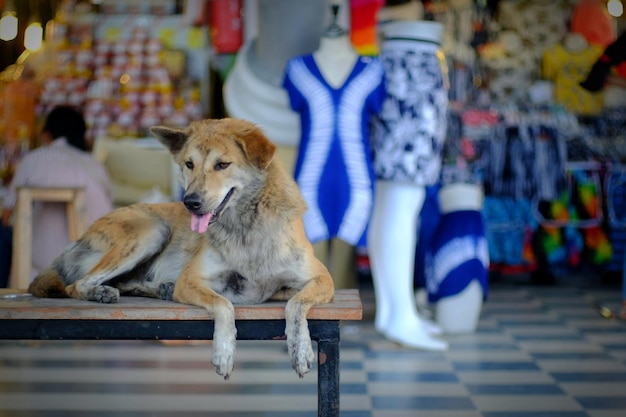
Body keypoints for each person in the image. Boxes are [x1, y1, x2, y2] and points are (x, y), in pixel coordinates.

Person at [282, 3, 386, 289]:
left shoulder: (373, 70)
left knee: (348, 239)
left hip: (356, 174)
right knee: (309, 241)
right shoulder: (298, 69)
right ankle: (315, 309)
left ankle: (339, 310)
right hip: (310, 174)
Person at [368, 19, 449, 350]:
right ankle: (400, 316)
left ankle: (393, 312)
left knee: (391, 206)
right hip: (413, 66)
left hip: (400, 62)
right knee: (402, 205)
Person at [0, 105, 114, 287]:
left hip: (42, 269)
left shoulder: (34, 159)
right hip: (95, 266)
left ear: (46, 135)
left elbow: (7, 217)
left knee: (3, 231)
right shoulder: (96, 166)